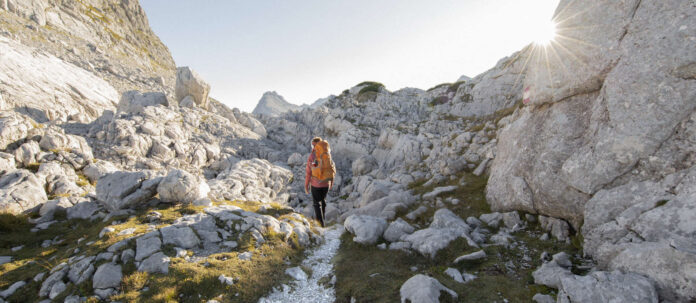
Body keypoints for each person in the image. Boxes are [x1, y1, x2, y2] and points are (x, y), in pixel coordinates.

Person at [305, 137, 333, 227]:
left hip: (315, 184)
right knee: (323, 201)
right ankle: (323, 219)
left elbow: (309, 172)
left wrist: (306, 185)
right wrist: (331, 182)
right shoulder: (327, 154)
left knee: (317, 204)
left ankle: (321, 225)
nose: (312, 147)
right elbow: (331, 168)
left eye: (313, 145)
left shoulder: (312, 156)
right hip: (326, 183)